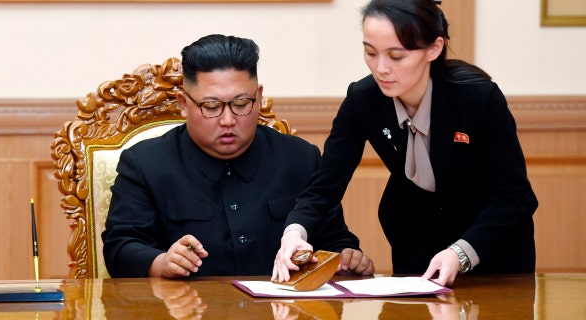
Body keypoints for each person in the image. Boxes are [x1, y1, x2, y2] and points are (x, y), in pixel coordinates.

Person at [272, 0, 537, 286]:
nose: (381, 68)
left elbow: (515, 195)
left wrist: (460, 253)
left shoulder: (477, 98)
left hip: (490, 245)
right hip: (415, 239)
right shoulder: (362, 100)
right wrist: (294, 234)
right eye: (370, 52)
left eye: (396, 56)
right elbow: (325, 186)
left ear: (434, 49)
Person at [102, 34, 374, 278]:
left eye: (241, 104)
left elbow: (335, 241)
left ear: (259, 97)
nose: (228, 120)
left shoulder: (300, 158)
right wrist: (161, 262)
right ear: (183, 104)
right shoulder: (145, 163)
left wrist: (349, 257)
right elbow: (120, 248)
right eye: (211, 106)